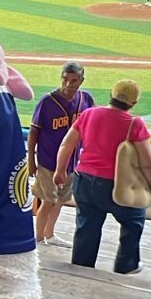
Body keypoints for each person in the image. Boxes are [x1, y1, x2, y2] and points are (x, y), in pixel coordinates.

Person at [53, 79, 151, 275]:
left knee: (86, 227)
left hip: (84, 181)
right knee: (133, 221)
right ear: (133, 103)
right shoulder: (135, 124)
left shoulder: (88, 114)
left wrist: (60, 171)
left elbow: (66, 145)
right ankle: (125, 266)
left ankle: (81, 268)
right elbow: (149, 162)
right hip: (117, 186)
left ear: (111, 94)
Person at [27, 60, 93, 247]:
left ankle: (50, 234)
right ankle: (38, 237)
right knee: (48, 200)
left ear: (81, 80)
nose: (68, 85)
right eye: (65, 79)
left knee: (61, 200)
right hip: (48, 161)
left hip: (72, 162)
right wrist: (31, 158)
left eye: (73, 80)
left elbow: (91, 127)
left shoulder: (85, 100)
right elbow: (34, 132)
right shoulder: (47, 101)